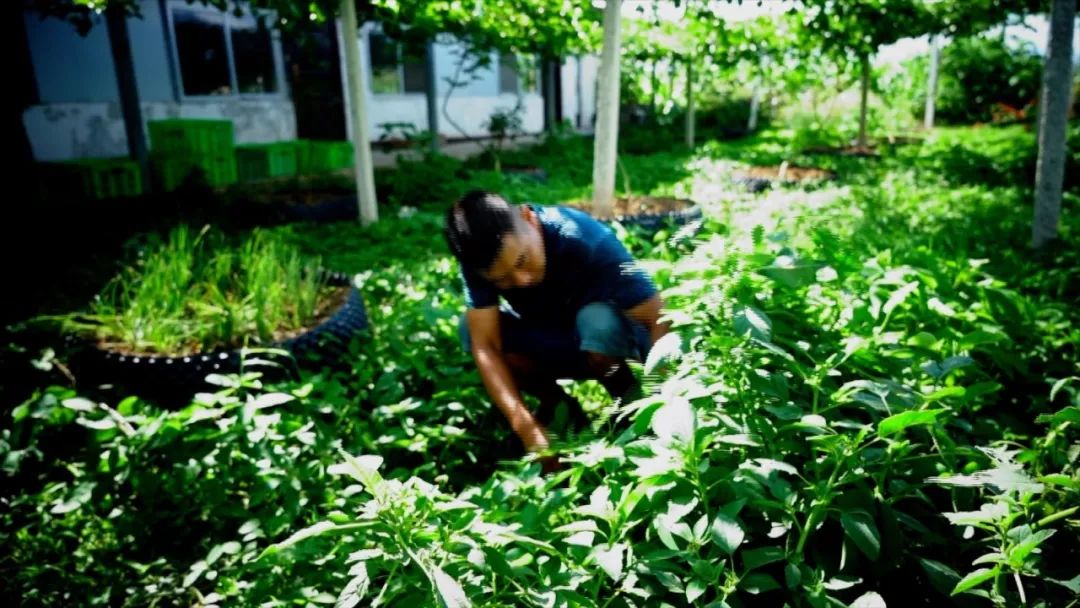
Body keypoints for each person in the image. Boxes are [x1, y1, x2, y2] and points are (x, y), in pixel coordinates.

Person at [443, 191, 670, 470]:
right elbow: (485, 345)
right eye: (502, 280)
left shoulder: (584, 239)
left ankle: (627, 404)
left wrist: (659, 403)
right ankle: (561, 411)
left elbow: (659, 318)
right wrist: (527, 430)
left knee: (597, 321)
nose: (521, 280)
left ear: (527, 217)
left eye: (521, 261)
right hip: (558, 342)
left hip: (614, 345)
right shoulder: (480, 259)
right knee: (471, 328)